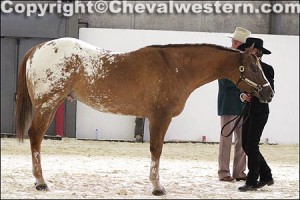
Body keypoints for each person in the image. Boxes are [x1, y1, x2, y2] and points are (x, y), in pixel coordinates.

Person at [237, 37, 275, 191]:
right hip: (248, 110)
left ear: (257, 51)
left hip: (260, 111)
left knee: (251, 145)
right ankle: (266, 175)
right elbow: (241, 87)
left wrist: (255, 93)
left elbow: (270, 92)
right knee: (247, 145)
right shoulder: (245, 67)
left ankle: (252, 180)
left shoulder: (267, 69)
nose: (248, 52)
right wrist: (243, 96)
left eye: (250, 49)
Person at [217, 27, 251, 182]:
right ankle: (223, 172)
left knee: (242, 140)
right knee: (226, 139)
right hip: (229, 103)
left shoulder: (243, 59)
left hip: (243, 104)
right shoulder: (226, 59)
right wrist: (243, 87)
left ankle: (239, 171)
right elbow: (225, 82)